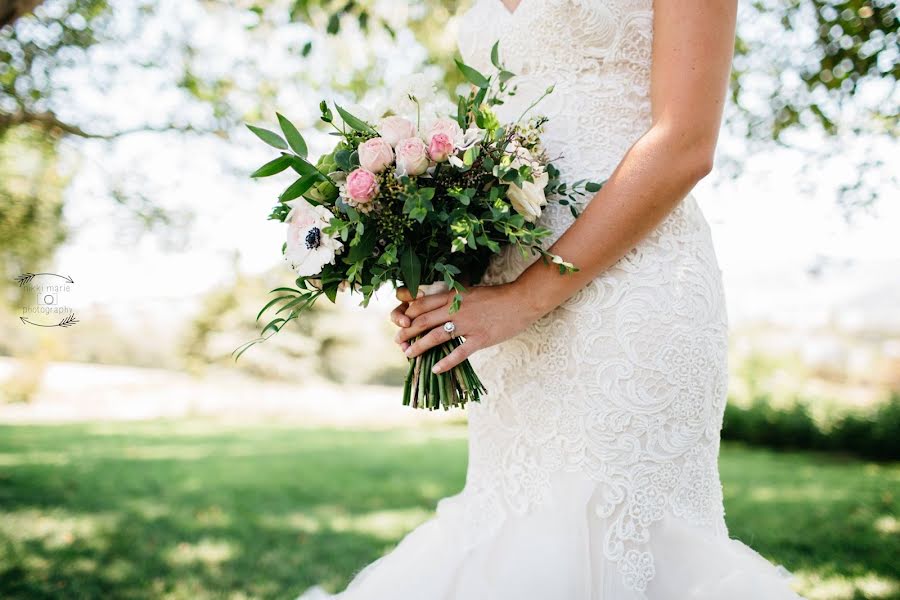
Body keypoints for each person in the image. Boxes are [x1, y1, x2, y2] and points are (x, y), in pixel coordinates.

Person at [300, 0, 807, 597]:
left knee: (623, 540)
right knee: (516, 526)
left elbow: (685, 142)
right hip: (504, 313)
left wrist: (526, 297)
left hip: (632, 292)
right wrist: (438, 265)